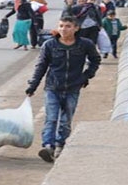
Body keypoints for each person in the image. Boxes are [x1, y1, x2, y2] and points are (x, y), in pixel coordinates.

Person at [25, 16, 101, 163]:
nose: (63, 29)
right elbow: (41, 66)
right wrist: (33, 85)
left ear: (76, 28)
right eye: (61, 26)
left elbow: (95, 60)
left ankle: (61, 143)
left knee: (66, 120)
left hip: (73, 87)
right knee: (51, 118)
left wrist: (86, 76)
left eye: (67, 26)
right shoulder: (49, 45)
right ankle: (48, 146)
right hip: (53, 87)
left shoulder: (84, 45)